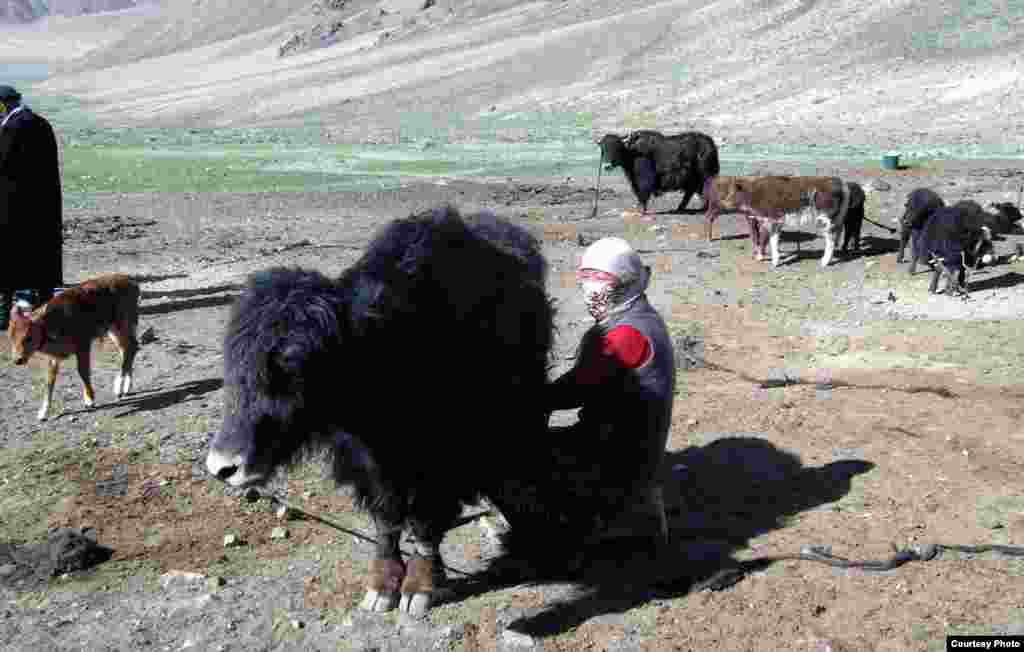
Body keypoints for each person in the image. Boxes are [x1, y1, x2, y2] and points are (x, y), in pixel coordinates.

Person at [0, 84, 63, 330]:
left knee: (9, 258)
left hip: (13, 204)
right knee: (41, 258)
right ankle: (45, 312)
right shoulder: (41, 123)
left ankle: (6, 316)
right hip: (42, 203)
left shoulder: (12, 128)